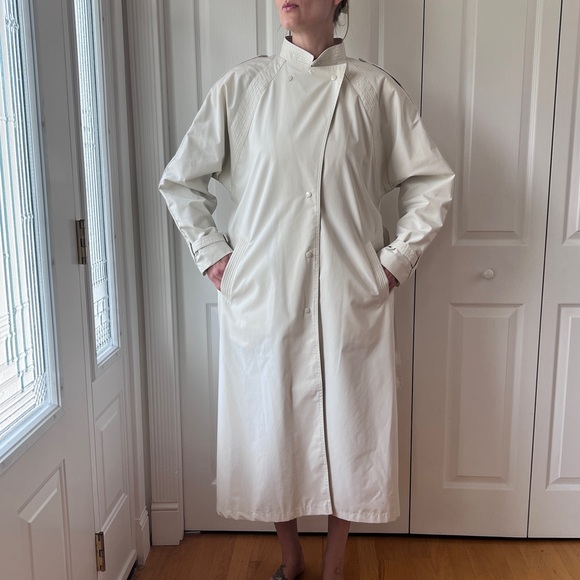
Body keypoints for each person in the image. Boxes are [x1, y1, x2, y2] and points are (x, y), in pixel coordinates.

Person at [159, 0, 454, 578]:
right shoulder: (244, 88)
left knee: (352, 426)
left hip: (349, 291)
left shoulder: (373, 92)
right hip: (265, 291)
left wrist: (395, 261)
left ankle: (335, 563)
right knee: (274, 425)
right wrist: (213, 254)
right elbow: (181, 181)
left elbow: (432, 182)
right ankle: (291, 557)